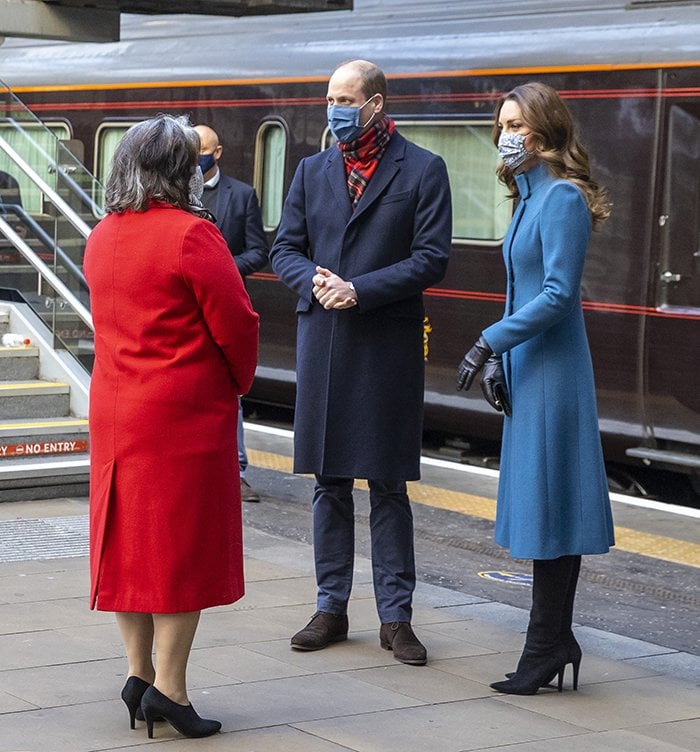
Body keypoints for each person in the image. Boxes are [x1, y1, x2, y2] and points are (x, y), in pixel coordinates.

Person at [269, 59, 452, 666]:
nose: (334, 110)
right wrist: (315, 283)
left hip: (385, 345)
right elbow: (284, 248)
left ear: (375, 104)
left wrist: (361, 289)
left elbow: (432, 258)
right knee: (329, 483)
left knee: (389, 484)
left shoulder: (424, 168)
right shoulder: (311, 169)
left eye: (345, 99)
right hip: (323, 338)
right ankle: (331, 607)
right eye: (329, 98)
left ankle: (396, 618)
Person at [84, 115, 259, 737]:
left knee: (128, 549)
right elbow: (237, 322)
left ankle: (137, 676)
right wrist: (236, 384)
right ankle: (172, 691)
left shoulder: (101, 234)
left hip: (114, 412)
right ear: (179, 170)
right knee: (178, 555)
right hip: (179, 420)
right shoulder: (192, 235)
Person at [456, 82, 615, 695]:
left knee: (554, 505)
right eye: (501, 123)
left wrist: (489, 341)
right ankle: (552, 640)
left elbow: (557, 293)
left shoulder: (563, 200)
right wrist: (502, 358)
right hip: (528, 366)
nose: (506, 135)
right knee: (542, 503)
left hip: (554, 373)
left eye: (517, 123)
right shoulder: (526, 200)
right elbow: (522, 287)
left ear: (546, 131)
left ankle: (547, 643)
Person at [194, 123, 269, 503]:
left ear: (218, 152)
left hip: (225, 301)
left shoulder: (241, 196)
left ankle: (236, 470)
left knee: (230, 389)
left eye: (203, 150)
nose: (196, 158)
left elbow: (259, 250)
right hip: (188, 307)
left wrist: (223, 269)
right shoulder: (174, 193)